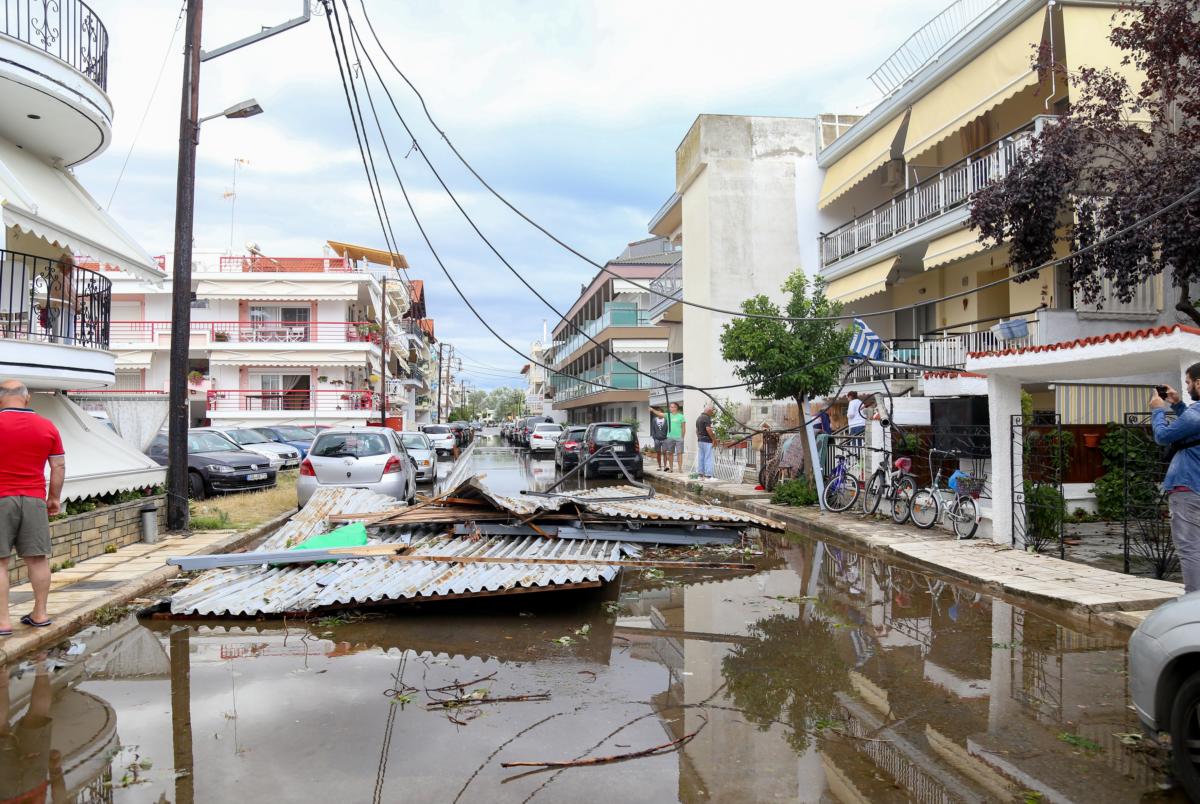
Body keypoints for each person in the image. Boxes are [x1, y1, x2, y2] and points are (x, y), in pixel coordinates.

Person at [0, 381, 64, 634]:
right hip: (35, 499)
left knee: (0, 562)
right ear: (27, 400)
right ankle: (40, 614)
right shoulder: (47, 426)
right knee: (37, 559)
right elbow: (58, 466)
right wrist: (54, 498)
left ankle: (3, 622)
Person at [1151, 368, 1200, 593]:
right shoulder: (1192, 414)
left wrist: (1158, 411)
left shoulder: (1195, 413)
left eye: (1189, 383)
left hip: (1188, 487)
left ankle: (1194, 602)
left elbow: (1162, 437)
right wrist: (1179, 405)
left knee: (1189, 547)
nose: (1187, 387)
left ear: (1199, 383)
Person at [696, 403, 716, 479]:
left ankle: (700, 473)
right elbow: (708, 429)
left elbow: (697, 430)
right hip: (707, 440)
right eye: (712, 411)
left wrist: (699, 438)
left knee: (701, 457)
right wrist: (714, 439)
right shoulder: (707, 418)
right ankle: (708, 475)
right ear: (709, 410)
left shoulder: (699, 417)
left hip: (700, 440)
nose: (712, 413)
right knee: (708, 457)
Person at [648, 404, 669, 470]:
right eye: (658, 412)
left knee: (665, 452)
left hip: (665, 439)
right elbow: (653, 429)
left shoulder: (666, 420)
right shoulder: (654, 420)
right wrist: (654, 438)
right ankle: (659, 466)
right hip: (657, 439)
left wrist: (667, 437)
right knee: (658, 453)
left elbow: (668, 429)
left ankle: (665, 466)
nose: (659, 414)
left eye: (660, 412)